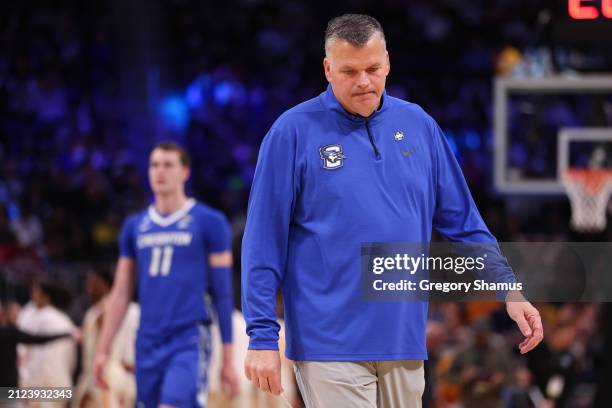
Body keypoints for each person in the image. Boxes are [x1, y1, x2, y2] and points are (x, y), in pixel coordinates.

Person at [241, 14, 544, 407]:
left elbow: (464, 223)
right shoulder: (292, 132)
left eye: (372, 68)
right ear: (328, 69)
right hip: (328, 342)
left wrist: (509, 289)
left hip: (403, 339)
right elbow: (262, 242)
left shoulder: (418, 125)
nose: (364, 81)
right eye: (349, 71)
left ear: (388, 63)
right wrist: (262, 337)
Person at [94, 141, 239, 408]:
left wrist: (228, 357)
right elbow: (121, 292)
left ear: (185, 172)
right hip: (147, 340)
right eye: (154, 165)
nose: (160, 172)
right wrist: (102, 351)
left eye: (168, 165)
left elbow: (223, 292)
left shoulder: (210, 222)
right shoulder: (134, 225)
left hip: (189, 338)